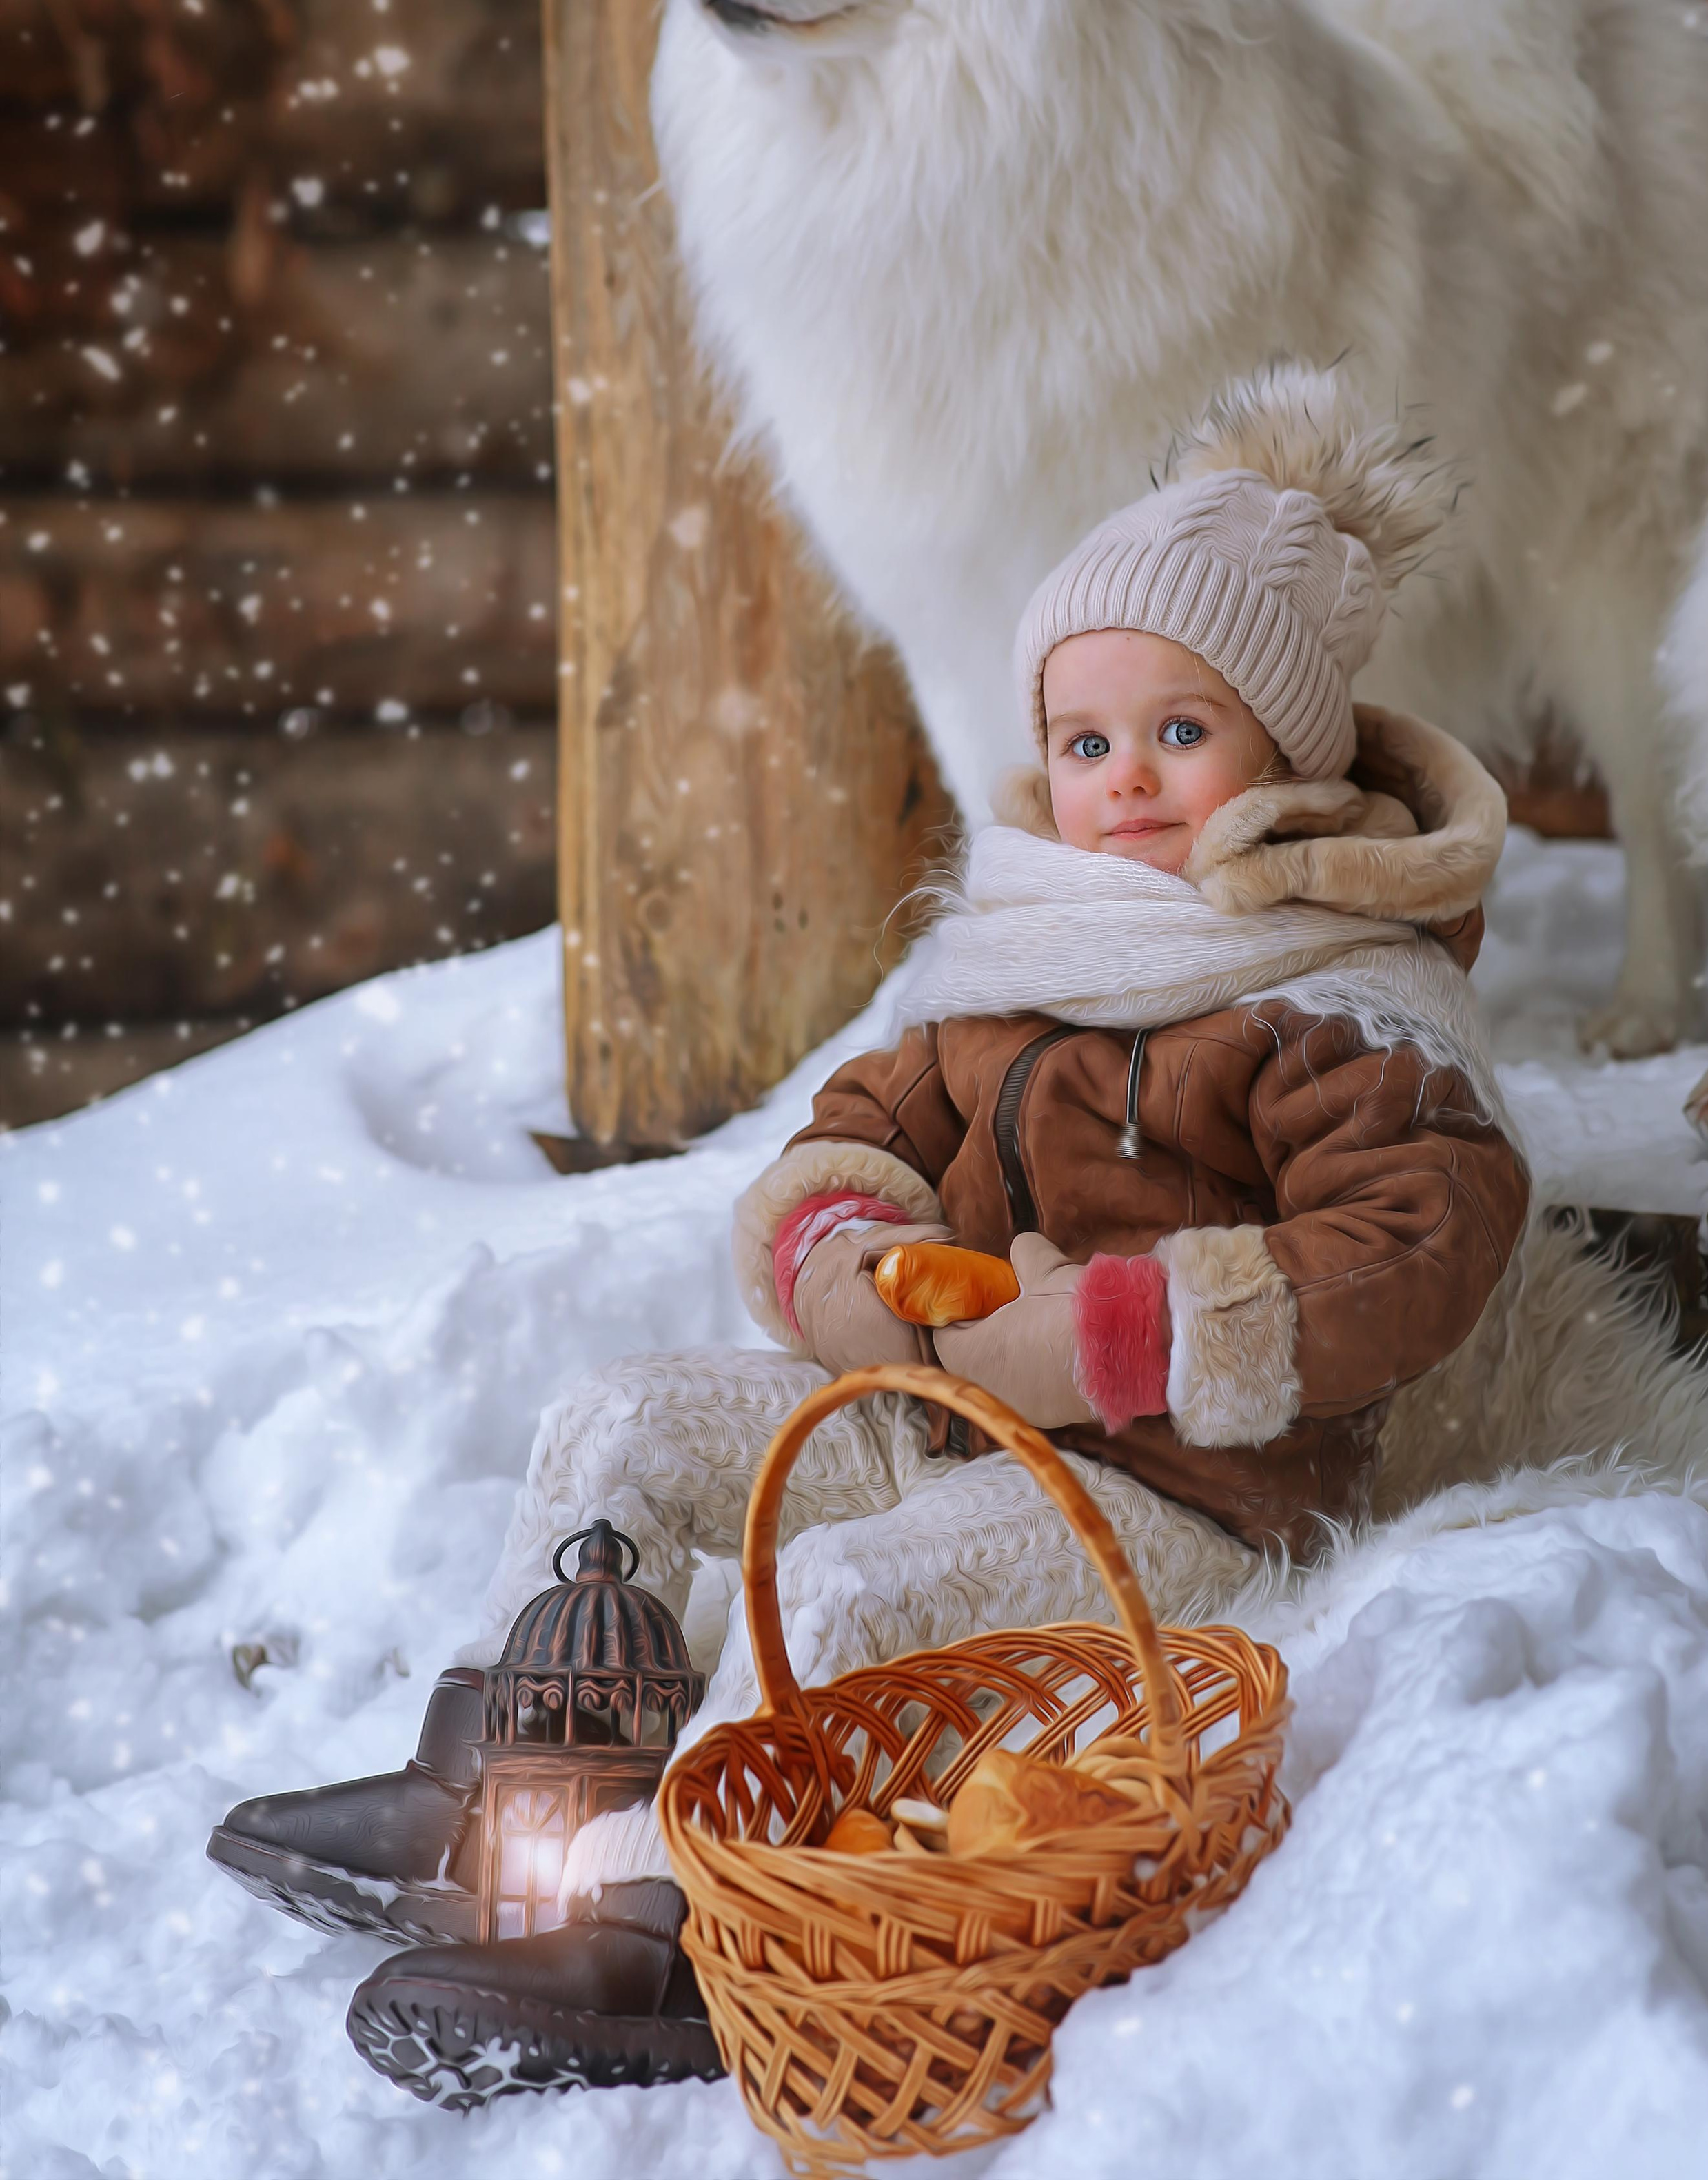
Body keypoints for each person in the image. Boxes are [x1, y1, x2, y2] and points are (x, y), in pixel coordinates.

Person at [210, 376, 1530, 2105]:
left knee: (836, 1591)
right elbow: (855, 1134)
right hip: (940, 1416)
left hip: (1172, 1502)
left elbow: (1417, 1235)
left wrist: (1122, 1331)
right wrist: (851, 1261)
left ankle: (680, 1924)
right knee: (618, 1420)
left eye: (1180, 731)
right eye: (1084, 743)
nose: (1125, 779)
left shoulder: (1337, 1000)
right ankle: (499, 1790)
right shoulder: (1025, 955)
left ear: (1287, 756)